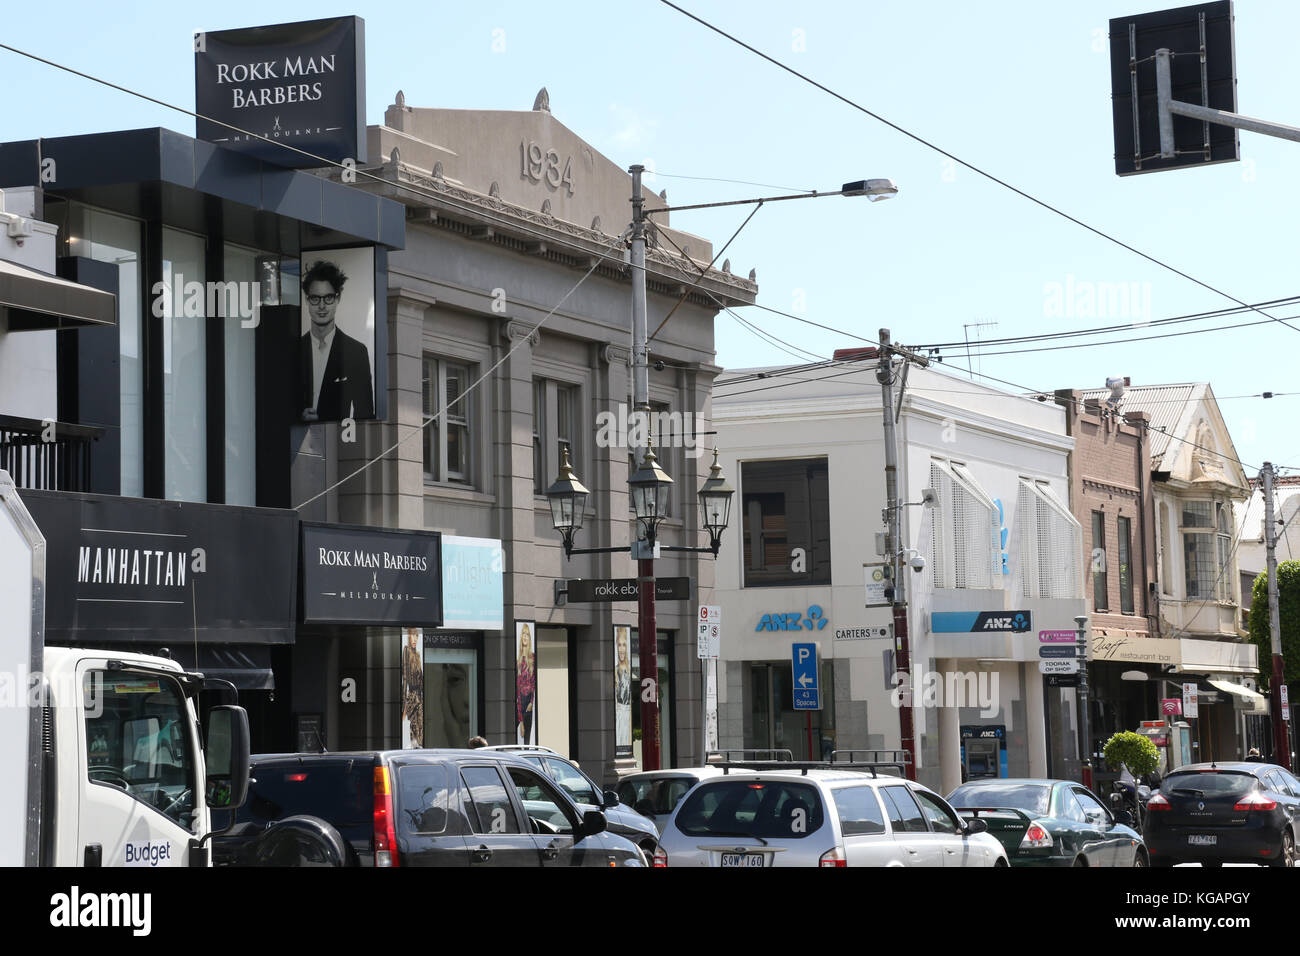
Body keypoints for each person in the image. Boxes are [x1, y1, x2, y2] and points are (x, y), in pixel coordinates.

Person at [300, 259, 374, 421]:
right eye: (315, 298)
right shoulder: (293, 350)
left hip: (338, 442)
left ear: (337, 298)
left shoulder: (356, 352)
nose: (321, 306)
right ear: (307, 300)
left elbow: (365, 414)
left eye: (328, 298)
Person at [517, 624, 536, 744]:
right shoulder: (518, 660)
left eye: (527, 635)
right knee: (519, 731)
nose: (525, 637)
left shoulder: (532, 658)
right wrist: (521, 721)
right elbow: (517, 690)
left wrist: (531, 702)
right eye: (523, 634)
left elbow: (533, 684)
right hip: (520, 701)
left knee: (527, 739)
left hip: (528, 699)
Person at [614, 627, 632, 748]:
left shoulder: (629, 671)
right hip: (619, 716)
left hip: (627, 716)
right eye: (619, 645)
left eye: (624, 645)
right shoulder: (615, 671)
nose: (621, 649)